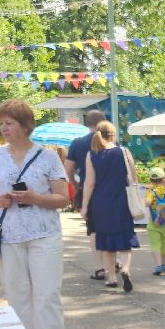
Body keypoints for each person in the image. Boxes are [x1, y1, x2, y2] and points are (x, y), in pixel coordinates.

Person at [0, 98, 72, 329]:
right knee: (17, 294)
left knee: (47, 292)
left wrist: (34, 198)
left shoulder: (48, 156)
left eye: (10, 123)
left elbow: (63, 197)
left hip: (44, 233)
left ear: (25, 125)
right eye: (2, 123)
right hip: (9, 235)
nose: (4, 128)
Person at [81, 119, 138, 292]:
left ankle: (112, 277)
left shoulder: (91, 155)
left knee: (106, 241)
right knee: (125, 238)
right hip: (122, 201)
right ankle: (126, 269)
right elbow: (134, 178)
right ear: (113, 135)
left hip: (100, 203)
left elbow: (89, 183)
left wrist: (84, 206)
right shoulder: (124, 151)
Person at [65, 108, 105, 278]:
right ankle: (114, 261)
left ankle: (100, 267)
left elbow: (68, 169)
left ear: (86, 123)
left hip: (88, 191)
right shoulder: (111, 142)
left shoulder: (77, 143)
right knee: (112, 227)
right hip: (111, 191)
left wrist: (74, 183)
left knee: (94, 229)